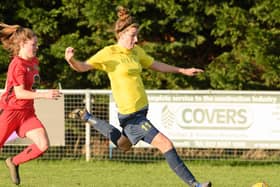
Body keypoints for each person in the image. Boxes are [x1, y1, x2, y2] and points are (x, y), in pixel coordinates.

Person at [65, 6, 211, 187]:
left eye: (137, 35)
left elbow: (155, 64)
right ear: (121, 34)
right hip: (132, 115)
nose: (136, 39)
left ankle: (88, 117)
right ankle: (194, 184)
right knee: (166, 144)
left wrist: (182, 70)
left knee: (123, 145)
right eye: (132, 35)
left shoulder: (136, 53)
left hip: (141, 112)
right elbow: (83, 67)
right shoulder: (108, 53)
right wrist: (71, 60)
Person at [0, 22, 61, 185]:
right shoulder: (17, 64)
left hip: (27, 113)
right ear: (22, 44)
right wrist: (45, 94)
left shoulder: (34, 62)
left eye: (37, 44)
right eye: (33, 44)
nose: (37, 47)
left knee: (43, 144)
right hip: (10, 112)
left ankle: (13, 161)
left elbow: (22, 87)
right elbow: (19, 93)